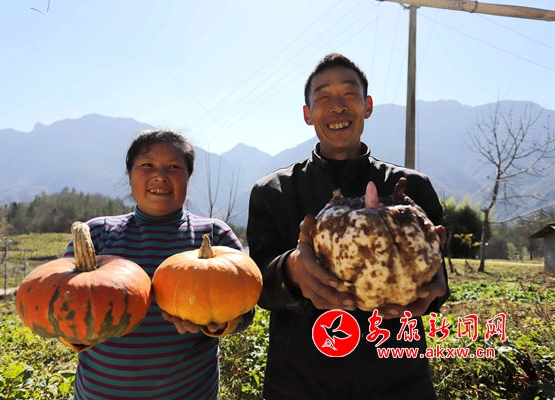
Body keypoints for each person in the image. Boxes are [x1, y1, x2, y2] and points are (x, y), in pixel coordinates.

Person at [247, 53, 449, 399]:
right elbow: (256, 286)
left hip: (398, 383)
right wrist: (292, 269)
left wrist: (432, 289)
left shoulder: (412, 190)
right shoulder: (272, 192)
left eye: (350, 94)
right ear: (307, 114)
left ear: (367, 106)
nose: (337, 106)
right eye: (323, 96)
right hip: (297, 384)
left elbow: (436, 282)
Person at [63, 129, 254, 399]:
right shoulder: (96, 234)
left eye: (174, 167)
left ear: (188, 176)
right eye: (147, 165)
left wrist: (216, 323)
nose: (160, 175)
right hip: (100, 393)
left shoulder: (215, 237)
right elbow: (60, 304)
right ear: (130, 175)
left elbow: (245, 310)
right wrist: (76, 333)